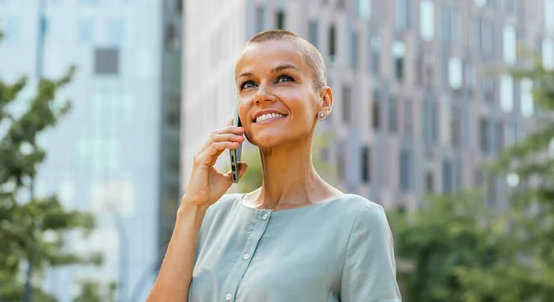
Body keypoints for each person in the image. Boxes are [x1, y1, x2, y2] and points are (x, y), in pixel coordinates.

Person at [147, 30, 401, 302]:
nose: (262, 95)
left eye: (284, 79)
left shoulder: (357, 221)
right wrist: (192, 207)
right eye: (248, 84)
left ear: (323, 100)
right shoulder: (212, 216)